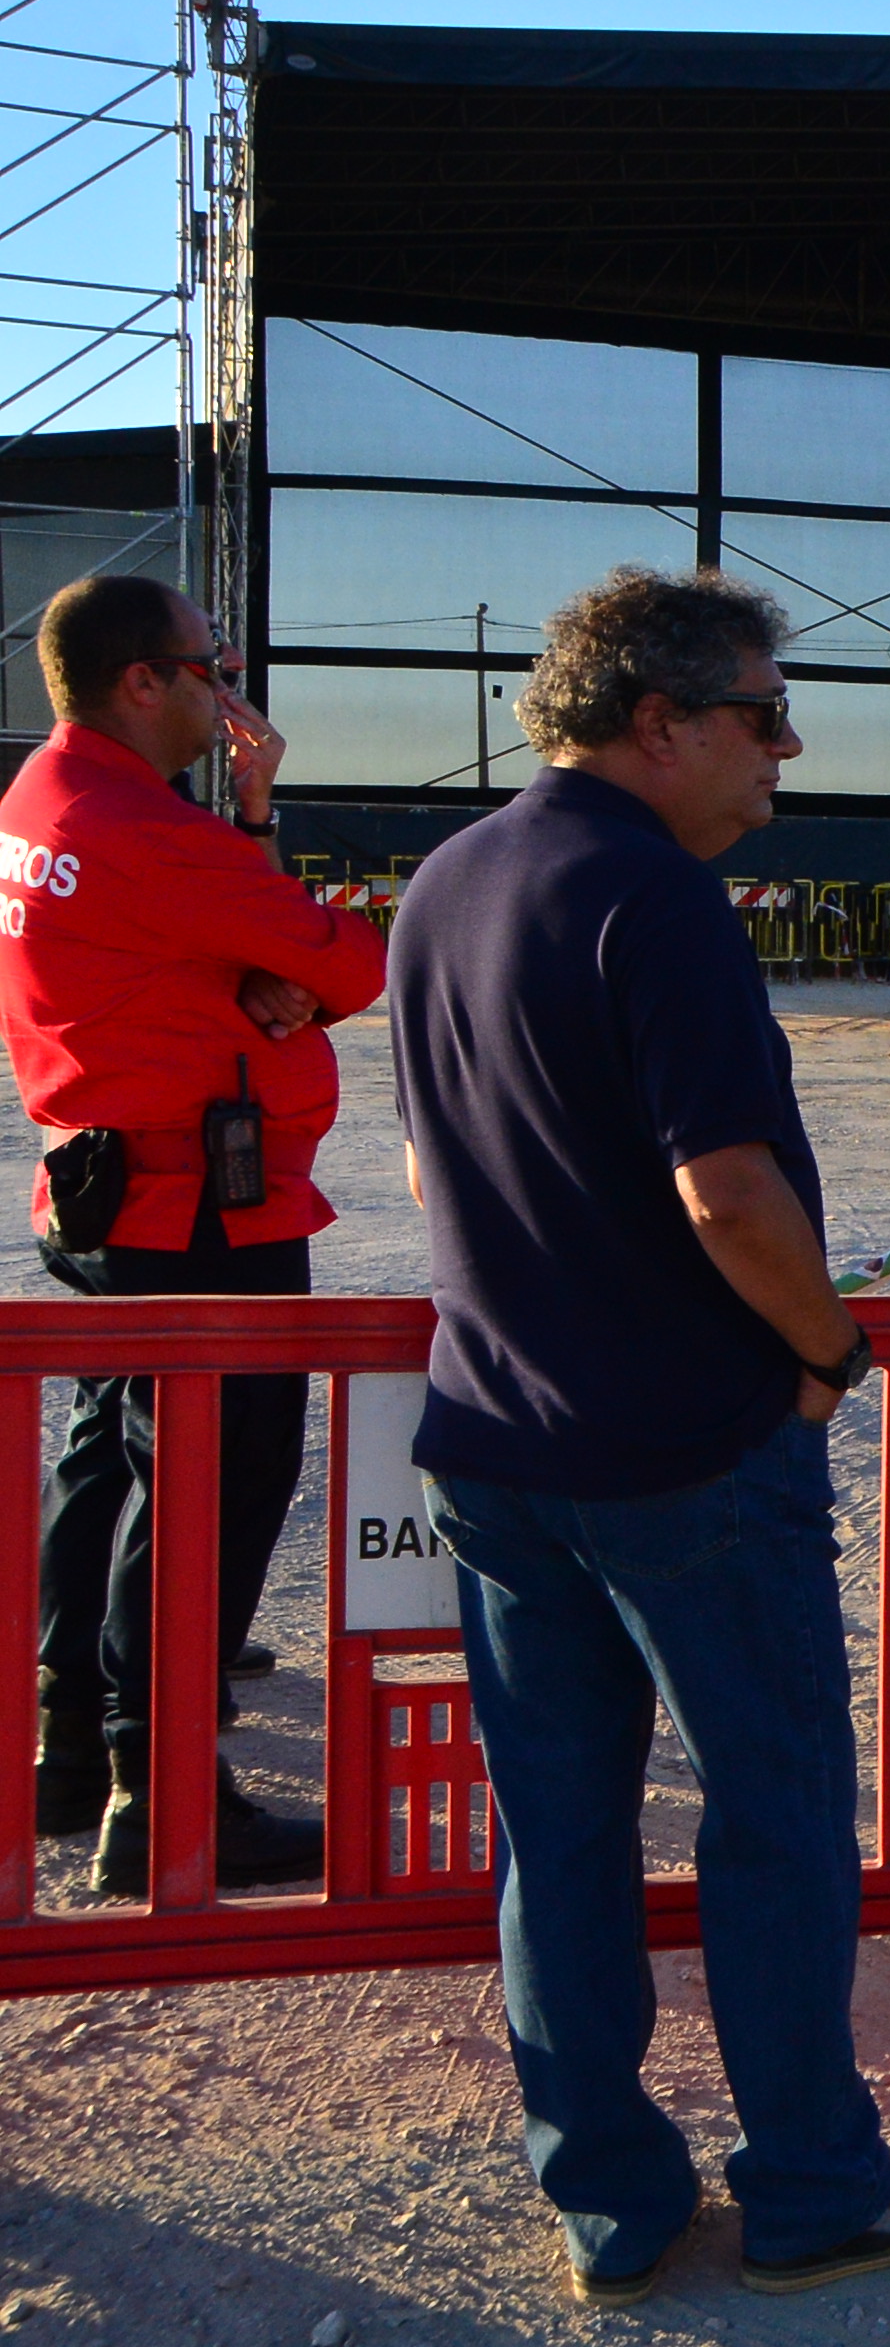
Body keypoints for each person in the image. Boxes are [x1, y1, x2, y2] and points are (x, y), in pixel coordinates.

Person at [390, 566, 890, 2302]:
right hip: (684, 1450)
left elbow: (438, 1168)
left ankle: (610, 2200)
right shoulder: (653, 900)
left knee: (559, 1832)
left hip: (499, 1441)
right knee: (780, 1809)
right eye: (762, 714)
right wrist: (828, 1349)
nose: (782, 750)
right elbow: (727, 1191)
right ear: (658, 721)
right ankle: (810, 2179)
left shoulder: (447, 881)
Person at [0, 573, 383, 1894]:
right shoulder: (149, 835)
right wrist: (272, 927)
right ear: (142, 683)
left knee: (111, 1456)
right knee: (212, 1485)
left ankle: (72, 1755)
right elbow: (351, 958)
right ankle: (163, 1796)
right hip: (203, 1207)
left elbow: (262, 947)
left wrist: (254, 849)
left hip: (105, 1191)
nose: (231, 690)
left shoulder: (47, 797)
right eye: (210, 664)